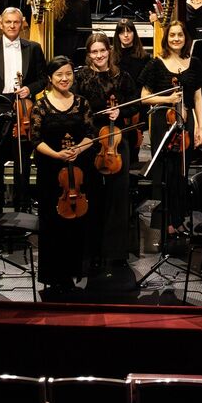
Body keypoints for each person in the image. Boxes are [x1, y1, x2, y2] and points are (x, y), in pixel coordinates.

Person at [76, 31, 139, 276]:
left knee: (117, 198)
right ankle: (92, 251)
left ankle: (116, 252)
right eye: (94, 51)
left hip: (116, 142)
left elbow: (134, 103)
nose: (99, 55)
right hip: (92, 142)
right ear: (89, 54)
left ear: (109, 52)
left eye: (103, 50)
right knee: (93, 195)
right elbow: (76, 105)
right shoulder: (81, 77)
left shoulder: (121, 76)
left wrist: (120, 114)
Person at [32, 56, 94, 297]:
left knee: (76, 223)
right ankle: (53, 275)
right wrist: (57, 154)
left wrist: (78, 149)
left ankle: (73, 270)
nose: (64, 78)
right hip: (51, 174)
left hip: (77, 173)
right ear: (50, 78)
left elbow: (90, 134)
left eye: (68, 73)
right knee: (52, 223)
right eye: (59, 75)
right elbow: (35, 140)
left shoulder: (82, 103)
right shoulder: (41, 105)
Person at [140, 21, 202, 246]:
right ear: (166, 38)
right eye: (172, 35)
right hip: (163, 123)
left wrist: (199, 126)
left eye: (180, 35)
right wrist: (167, 99)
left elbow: (197, 97)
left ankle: (179, 219)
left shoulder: (194, 63)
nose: (176, 39)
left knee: (181, 172)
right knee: (165, 174)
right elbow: (145, 97)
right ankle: (166, 222)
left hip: (185, 123)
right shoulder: (156, 64)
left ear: (185, 38)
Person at [0, 7, 46, 213]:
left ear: (22, 23)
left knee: (22, 162)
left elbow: (43, 79)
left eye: (16, 22)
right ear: (1, 24)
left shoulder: (33, 48)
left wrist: (30, 89)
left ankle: (22, 208)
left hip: (24, 109)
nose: (12, 26)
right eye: (8, 22)